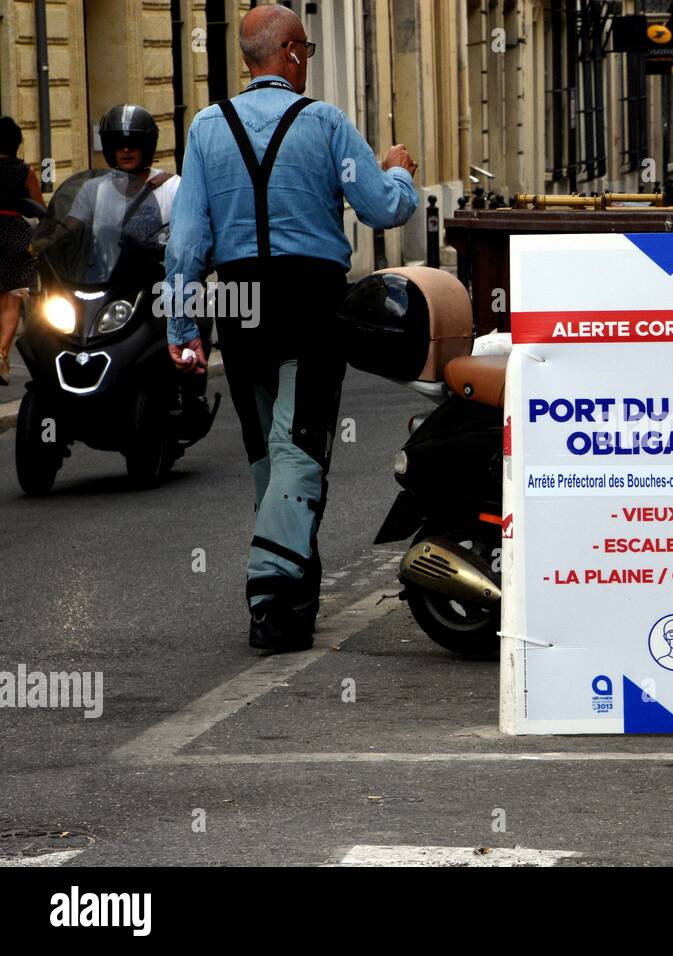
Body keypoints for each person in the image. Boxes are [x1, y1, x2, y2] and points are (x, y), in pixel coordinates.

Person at [164, 3, 418, 652]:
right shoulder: (326, 123)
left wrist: (182, 326)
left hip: (238, 304)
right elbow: (382, 207)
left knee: (266, 451)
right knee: (299, 450)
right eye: (305, 49)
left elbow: (187, 242)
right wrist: (399, 172)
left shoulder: (205, 128)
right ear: (292, 53)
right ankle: (273, 596)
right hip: (308, 302)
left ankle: (295, 588)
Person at [68, 106, 180, 282]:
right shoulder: (92, 189)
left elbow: (189, 237)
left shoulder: (172, 187)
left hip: (155, 282)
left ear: (146, 146)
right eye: (118, 144)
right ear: (109, 148)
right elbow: (70, 233)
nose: (126, 150)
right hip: (104, 282)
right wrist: (49, 243)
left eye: (134, 143)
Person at [0, 116, 44, 385]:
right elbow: (39, 208)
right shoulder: (24, 171)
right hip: (15, 235)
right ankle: (2, 353)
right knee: (12, 299)